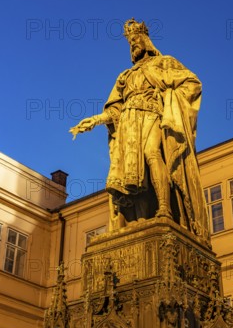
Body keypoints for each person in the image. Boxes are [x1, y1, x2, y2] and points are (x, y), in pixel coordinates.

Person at [70, 19, 209, 242]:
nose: (133, 44)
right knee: (132, 172)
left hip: (153, 114)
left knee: (152, 153)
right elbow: (116, 108)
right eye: (130, 41)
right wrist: (95, 120)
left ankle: (165, 208)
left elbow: (192, 83)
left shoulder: (165, 63)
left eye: (136, 39)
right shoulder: (125, 76)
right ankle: (140, 220)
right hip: (128, 123)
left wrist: (169, 97)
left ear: (146, 39)